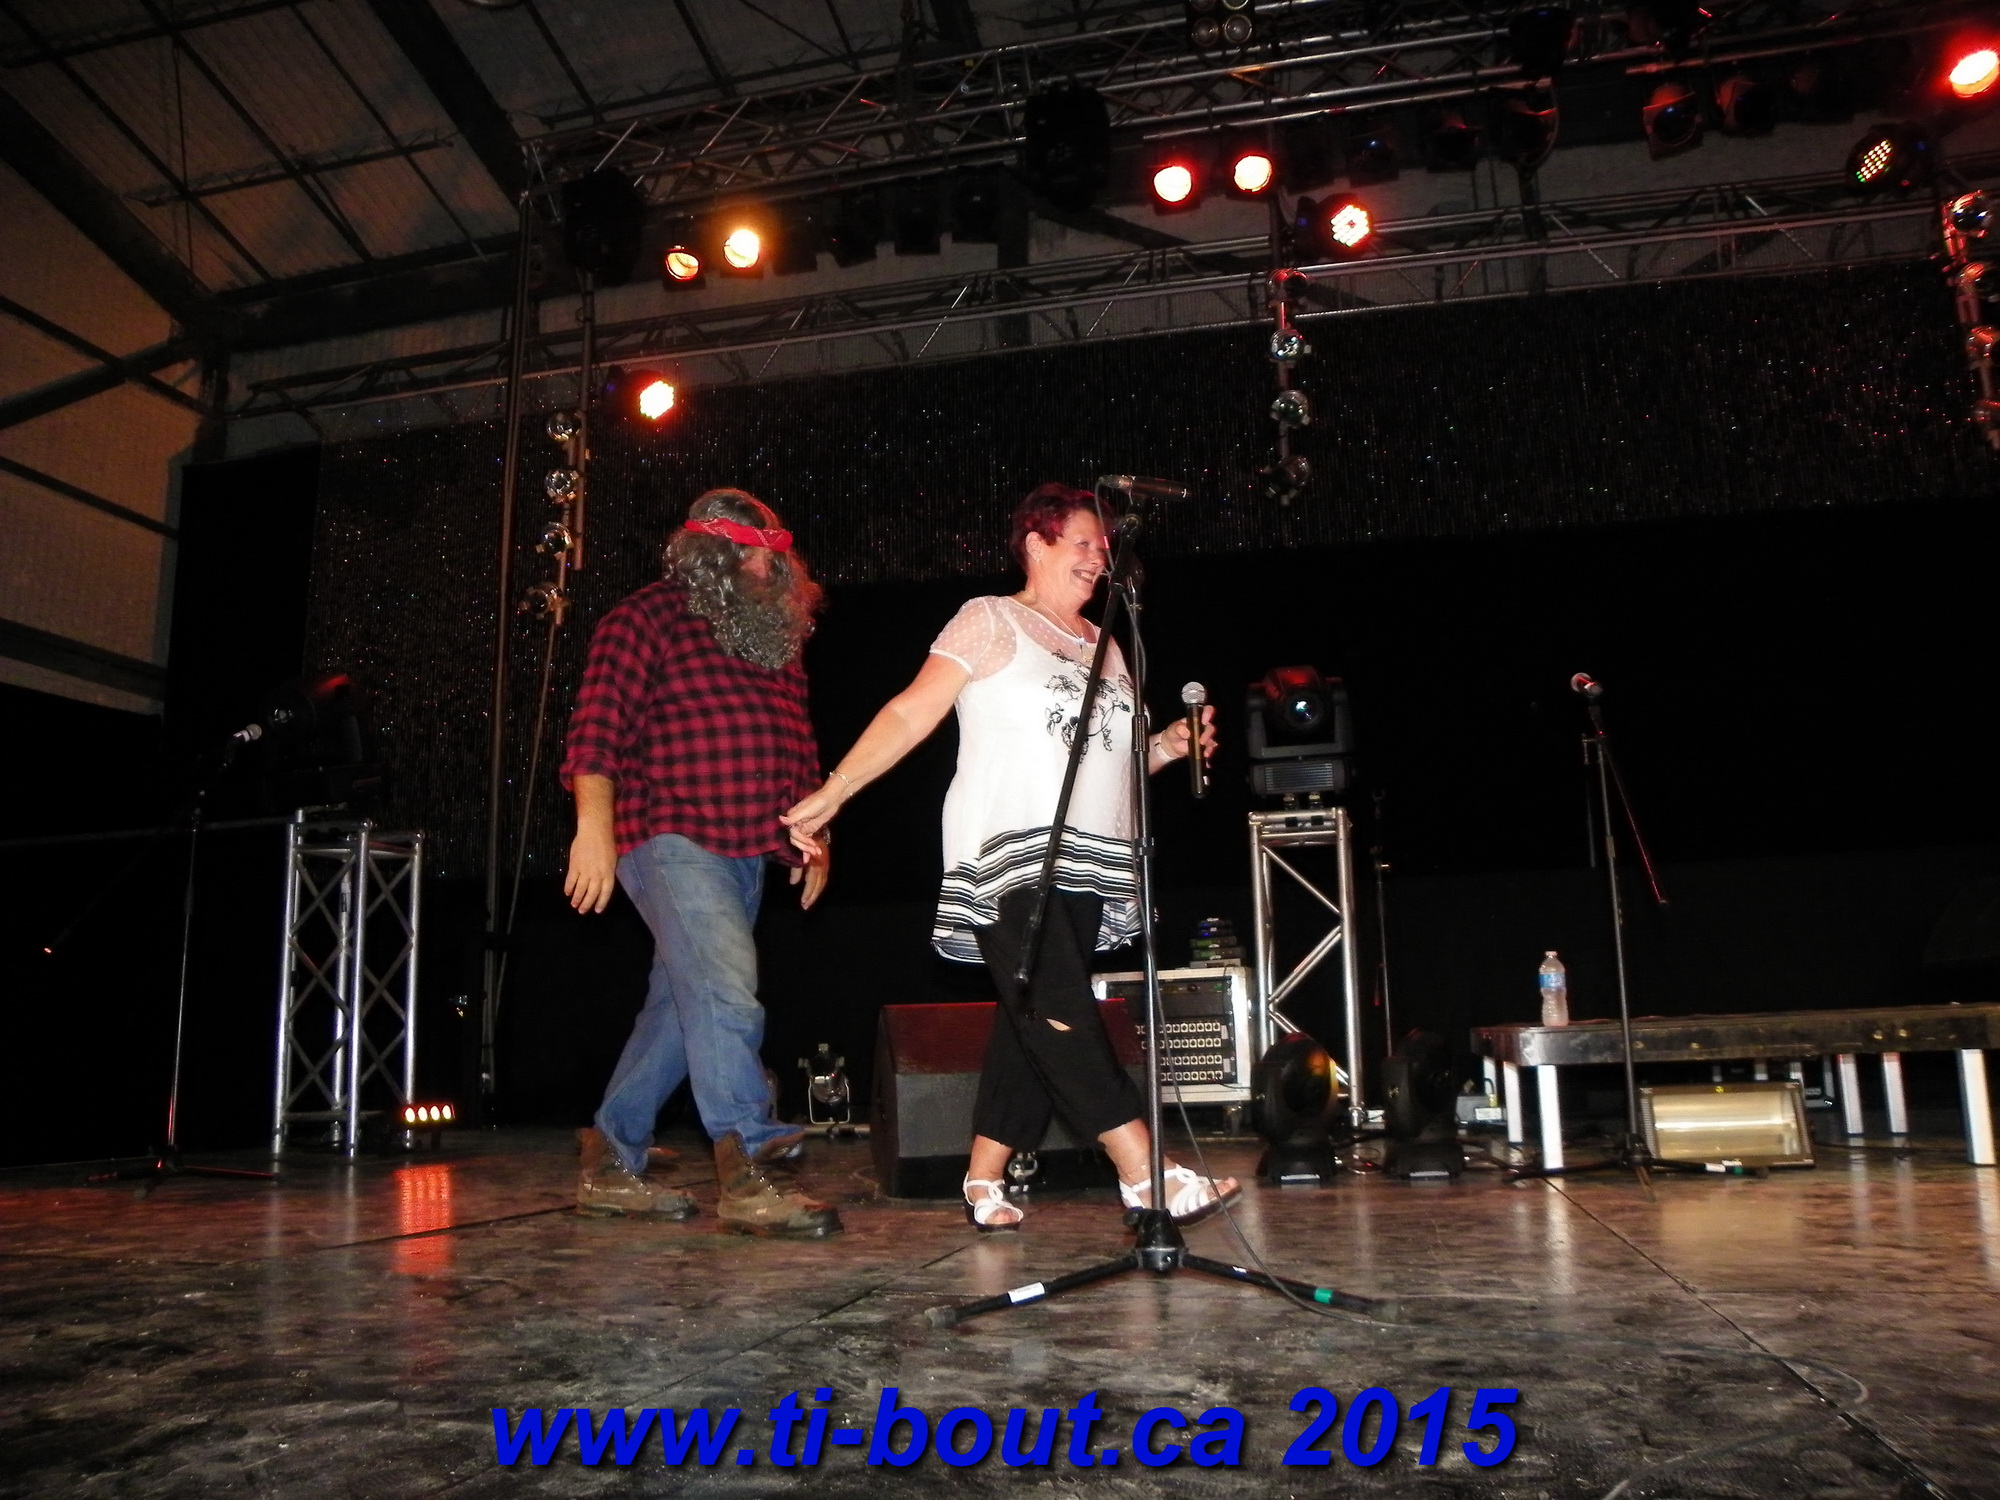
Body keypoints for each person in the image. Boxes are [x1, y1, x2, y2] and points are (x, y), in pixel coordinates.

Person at [782, 482, 1235, 1231]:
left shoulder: (1107, 644)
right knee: (1059, 1006)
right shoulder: (990, 619)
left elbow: (1109, 758)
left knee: (1034, 1013)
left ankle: (983, 1176)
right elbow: (912, 711)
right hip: (1010, 850)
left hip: (1092, 856)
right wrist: (836, 791)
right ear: (1036, 543)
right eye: (1082, 542)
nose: (1099, 558)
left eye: (1104, 547)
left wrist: (1165, 746)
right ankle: (1144, 1172)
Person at [560, 488, 841, 1239]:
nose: (770, 569)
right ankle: (749, 1164)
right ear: (716, 554)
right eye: (755, 555)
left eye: (776, 557)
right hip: (668, 835)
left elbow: (796, 746)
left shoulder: (773, 639)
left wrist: (812, 835)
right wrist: (593, 830)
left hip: (744, 847)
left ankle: (609, 1160)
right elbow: (596, 732)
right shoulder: (645, 618)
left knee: (680, 1012)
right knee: (725, 990)